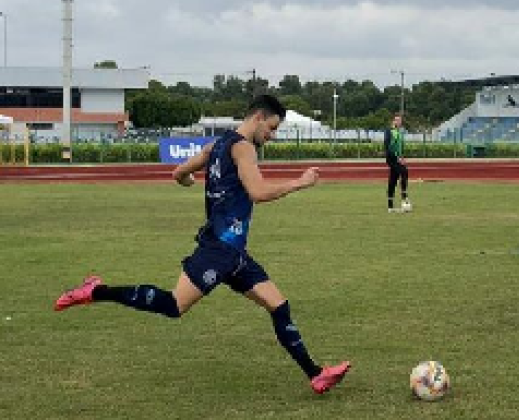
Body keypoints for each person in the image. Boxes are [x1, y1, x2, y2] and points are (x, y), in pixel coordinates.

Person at [53, 95, 352, 394]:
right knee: (173, 305)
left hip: (234, 254)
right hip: (218, 250)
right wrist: (300, 182)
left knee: (279, 305)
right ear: (259, 117)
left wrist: (190, 181)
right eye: (271, 128)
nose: (271, 136)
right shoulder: (244, 148)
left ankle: (316, 375)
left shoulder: (217, 145)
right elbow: (258, 192)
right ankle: (95, 291)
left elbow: (179, 173)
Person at [385, 113, 411, 213]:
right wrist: (397, 158)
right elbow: (388, 147)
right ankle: (404, 195)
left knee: (393, 180)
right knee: (404, 171)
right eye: (396, 120)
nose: (398, 122)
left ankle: (390, 207)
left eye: (399, 120)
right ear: (393, 121)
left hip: (398, 158)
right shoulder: (389, 131)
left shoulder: (399, 132)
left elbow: (400, 146)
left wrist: (402, 156)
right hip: (391, 158)